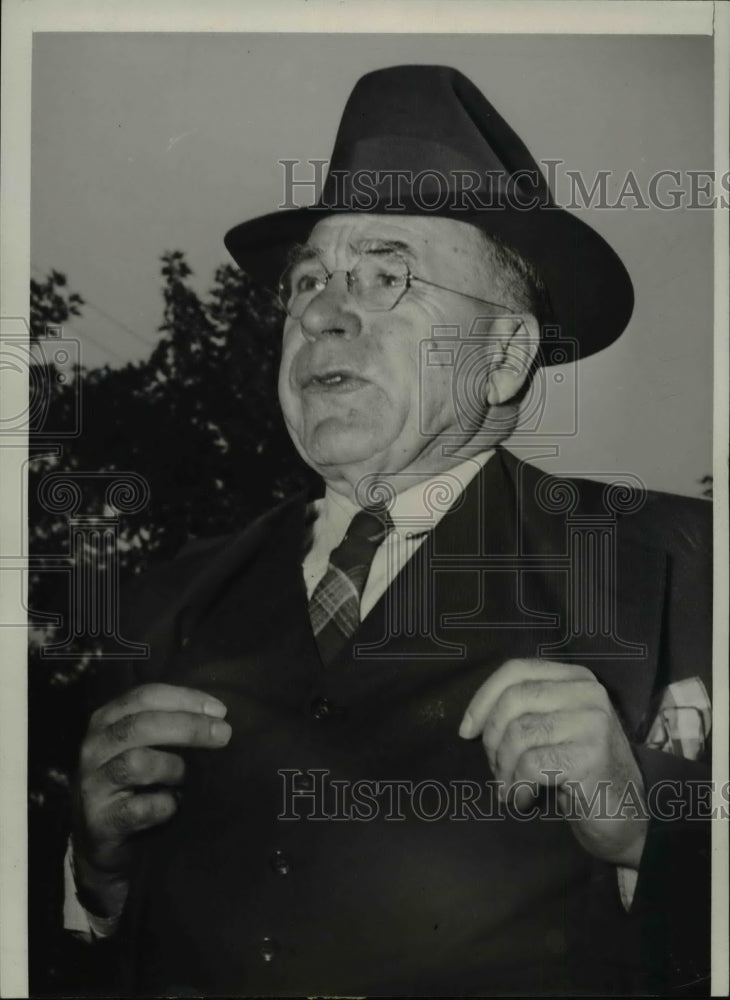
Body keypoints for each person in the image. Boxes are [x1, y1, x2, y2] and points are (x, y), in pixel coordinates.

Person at [65, 65, 712, 995]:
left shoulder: (686, 575)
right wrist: (98, 877)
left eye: (386, 274)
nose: (324, 313)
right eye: (308, 282)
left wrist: (652, 835)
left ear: (504, 355)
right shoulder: (165, 604)